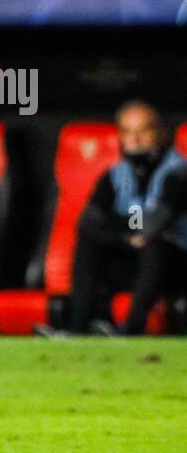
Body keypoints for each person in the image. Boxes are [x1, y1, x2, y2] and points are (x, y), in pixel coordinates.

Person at [64, 101, 187, 335]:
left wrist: (118, 224)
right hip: (133, 261)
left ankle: (131, 329)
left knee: (155, 245)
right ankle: (77, 328)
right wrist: (127, 237)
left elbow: (155, 222)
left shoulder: (178, 172)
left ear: (160, 133)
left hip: (174, 267)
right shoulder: (114, 174)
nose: (136, 139)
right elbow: (89, 221)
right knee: (88, 243)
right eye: (128, 132)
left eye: (144, 130)